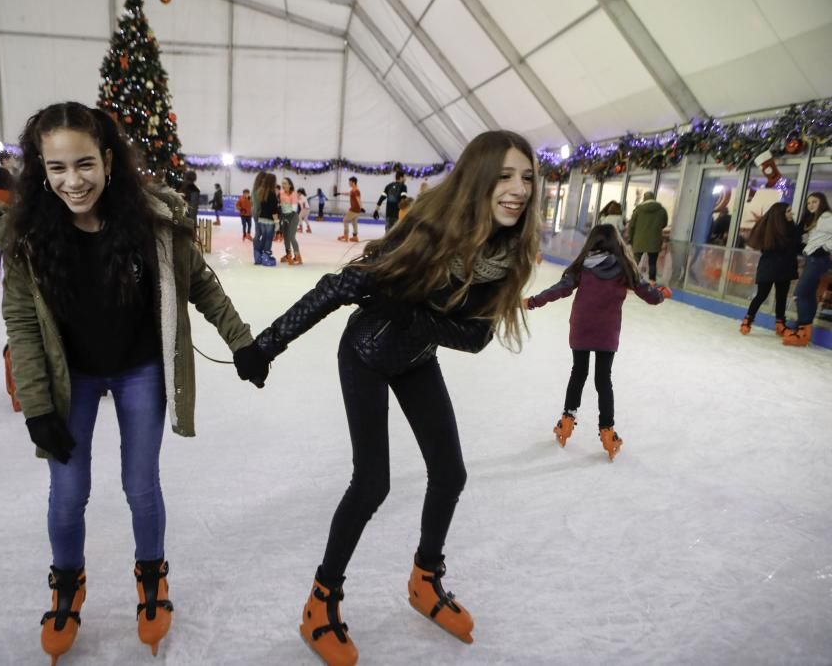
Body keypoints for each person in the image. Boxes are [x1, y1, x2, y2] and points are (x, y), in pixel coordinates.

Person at [233, 130, 541, 665]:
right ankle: (320, 601)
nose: (518, 189)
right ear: (478, 178)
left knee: (451, 473)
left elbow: (474, 338)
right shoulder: (426, 230)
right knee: (372, 482)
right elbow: (340, 286)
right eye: (506, 176)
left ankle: (425, 579)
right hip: (367, 354)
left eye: (528, 178)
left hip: (417, 355)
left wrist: (413, 316)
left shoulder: (508, 252)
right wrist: (266, 346)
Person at [0, 101, 254, 662]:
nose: (72, 181)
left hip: (139, 370)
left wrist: (243, 342)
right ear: (40, 168)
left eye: (84, 164)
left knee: (141, 485)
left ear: (108, 160)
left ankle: (151, 577)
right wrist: (37, 406)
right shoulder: (31, 238)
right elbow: (22, 324)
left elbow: (200, 284)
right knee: (67, 493)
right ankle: (66, 583)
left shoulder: (151, 224)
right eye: (56, 168)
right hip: (72, 380)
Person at [524, 224, 669, 462]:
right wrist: (662, 293)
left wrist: (533, 302)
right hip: (606, 331)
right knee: (603, 379)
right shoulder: (624, 267)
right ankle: (607, 432)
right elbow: (650, 296)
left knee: (578, 372)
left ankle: (567, 421)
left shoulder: (583, 266)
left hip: (581, 327)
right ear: (616, 243)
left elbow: (560, 289)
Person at [739, 203, 799, 336]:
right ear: (780, 215)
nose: (791, 213)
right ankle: (748, 319)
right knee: (761, 294)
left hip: (785, 268)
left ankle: (780, 323)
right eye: (788, 211)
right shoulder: (771, 230)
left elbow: (796, 247)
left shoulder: (793, 228)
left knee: (781, 296)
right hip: (769, 267)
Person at [784, 192, 832, 346]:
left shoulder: (826, 217)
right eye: (809, 202)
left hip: (818, 259)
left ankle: (802, 329)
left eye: (814, 202)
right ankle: (804, 331)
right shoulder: (816, 219)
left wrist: (826, 247)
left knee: (800, 294)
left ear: (822, 202)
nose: (811, 205)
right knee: (809, 294)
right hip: (812, 259)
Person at [626, 191, 668, 284]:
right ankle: (652, 281)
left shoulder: (638, 210)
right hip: (654, 240)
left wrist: (631, 238)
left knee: (635, 261)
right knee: (652, 262)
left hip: (639, 239)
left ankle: (630, 280)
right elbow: (664, 224)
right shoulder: (662, 210)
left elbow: (631, 225)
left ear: (644, 199)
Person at [253, 173, 279, 266]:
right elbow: (274, 210)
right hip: (269, 221)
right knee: (268, 240)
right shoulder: (272, 194)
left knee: (263, 238)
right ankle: (266, 258)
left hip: (261, 220)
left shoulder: (261, 192)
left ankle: (259, 257)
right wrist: (277, 223)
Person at [279, 177, 301, 265]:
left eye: (285, 183)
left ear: (290, 185)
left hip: (293, 217)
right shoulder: (281, 193)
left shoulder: (293, 194)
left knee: (291, 236)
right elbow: (281, 207)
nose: (283, 185)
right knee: (286, 237)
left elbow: (294, 209)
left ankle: (297, 255)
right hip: (285, 217)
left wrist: (287, 218)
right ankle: (288, 254)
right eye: (282, 183)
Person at [339, 176, 361, 242]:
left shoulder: (356, 190)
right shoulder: (353, 189)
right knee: (354, 222)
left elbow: (358, 199)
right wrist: (340, 193)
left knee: (345, 220)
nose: (348, 183)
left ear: (353, 182)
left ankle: (346, 236)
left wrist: (361, 207)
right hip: (357, 209)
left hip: (354, 209)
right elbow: (348, 193)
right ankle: (355, 237)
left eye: (349, 182)